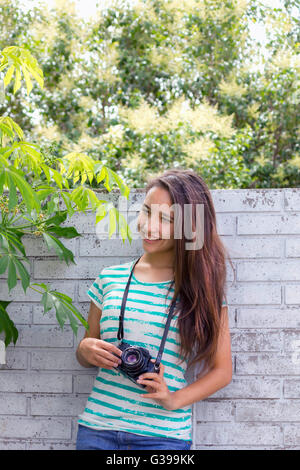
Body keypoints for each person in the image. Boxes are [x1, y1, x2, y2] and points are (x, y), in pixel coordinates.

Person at [75, 168, 233, 450]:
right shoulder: (109, 278)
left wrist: (174, 399)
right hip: (98, 430)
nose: (149, 226)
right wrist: (85, 349)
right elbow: (86, 352)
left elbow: (222, 371)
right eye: (147, 211)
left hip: (163, 439)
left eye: (166, 219)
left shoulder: (200, 290)